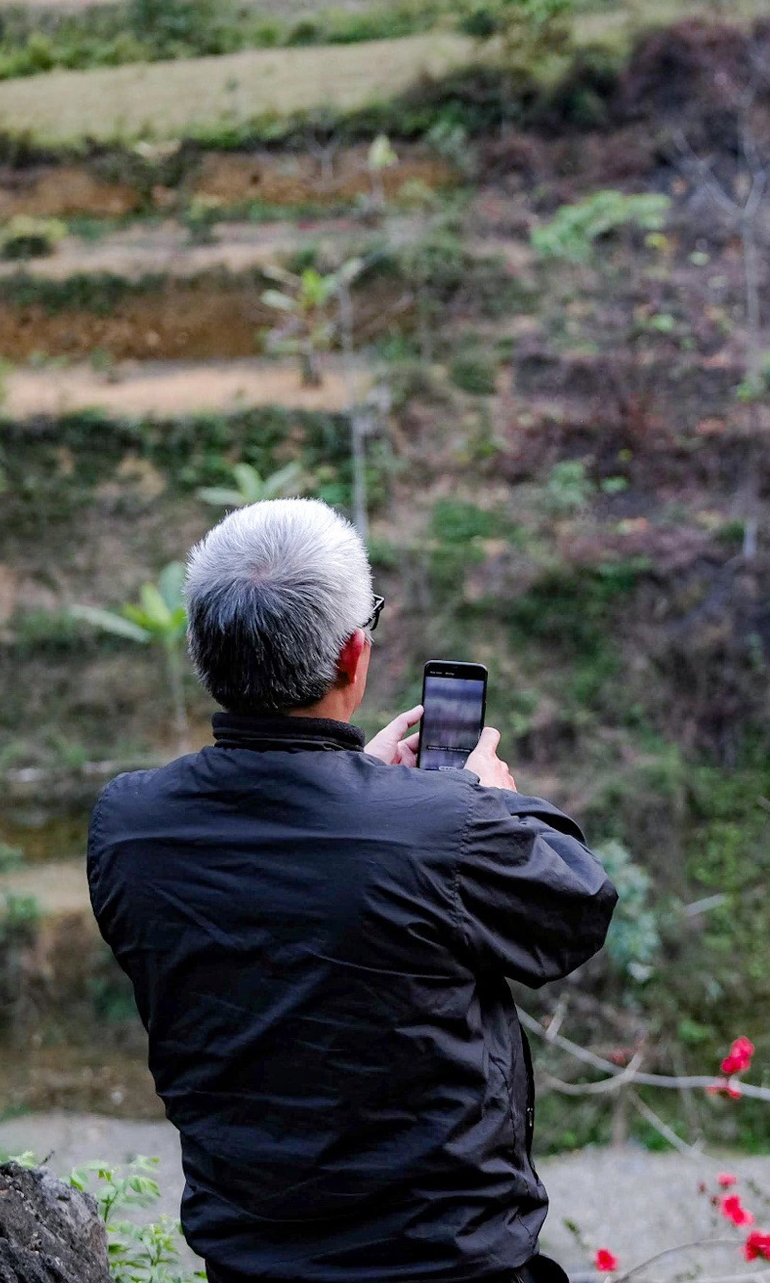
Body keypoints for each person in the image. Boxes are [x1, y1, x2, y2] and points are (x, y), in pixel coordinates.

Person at [88, 499, 616, 1283]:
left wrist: (354, 782)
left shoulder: (127, 828)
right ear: (352, 656)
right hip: (447, 1268)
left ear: (204, 653)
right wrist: (493, 799)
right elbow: (575, 908)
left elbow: (283, 890)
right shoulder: (448, 828)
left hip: (249, 1264)